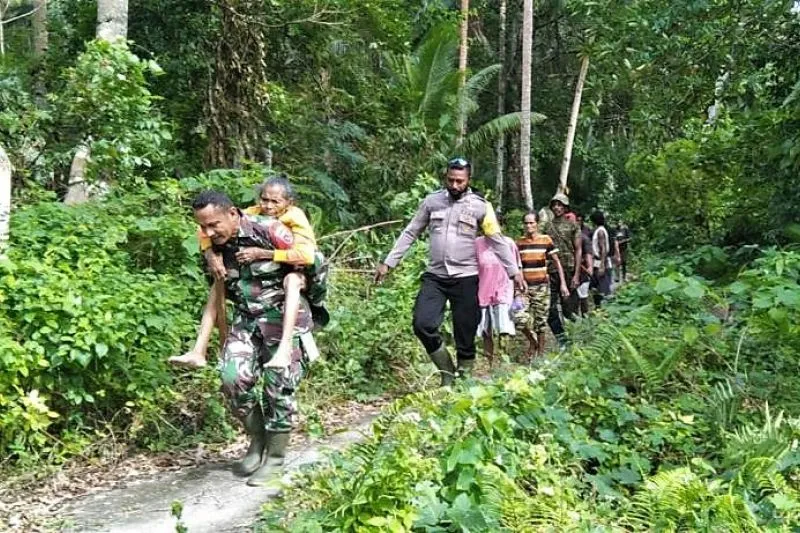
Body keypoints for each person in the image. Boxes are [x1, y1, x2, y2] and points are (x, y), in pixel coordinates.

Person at [190, 190, 314, 486]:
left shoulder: (269, 230)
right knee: (232, 377)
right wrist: (209, 255)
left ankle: (275, 458)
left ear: (233, 214)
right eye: (203, 226)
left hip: (284, 319)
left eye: (214, 224)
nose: (209, 232)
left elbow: (310, 263)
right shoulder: (214, 244)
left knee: (278, 387)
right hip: (247, 320)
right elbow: (219, 285)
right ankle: (257, 442)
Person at [374, 157, 525, 386]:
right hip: (436, 276)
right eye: (451, 180)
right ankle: (447, 373)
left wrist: (514, 272)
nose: (454, 185)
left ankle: (463, 383)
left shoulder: (481, 206)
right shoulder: (432, 202)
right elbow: (411, 232)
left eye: (459, 181)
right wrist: (388, 262)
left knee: (465, 333)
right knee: (422, 324)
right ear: (446, 177)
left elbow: (496, 240)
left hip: (466, 278)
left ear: (468, 180)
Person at [170, 176, 328, 369]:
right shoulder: (250, 214)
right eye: (264, 199)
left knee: (292, 281)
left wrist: (263, 253)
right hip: (258, 291)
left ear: (289, 202)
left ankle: (285, 347)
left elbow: (307, 256)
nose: (268, 206)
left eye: (275, 201)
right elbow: (209, 226)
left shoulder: (293, 217)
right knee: (218, 280)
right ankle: (198, 350)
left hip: (302, 267)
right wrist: (210, 254)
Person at [515, 212, 569, 360]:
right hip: (524, 288)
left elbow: (557, 262)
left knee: (541, 322)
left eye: (531, 223)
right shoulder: (519, 243)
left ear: (537, 224)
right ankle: (533, 343)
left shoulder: (545, 240)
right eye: (526, 223)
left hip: (541, 287)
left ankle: (540, 355)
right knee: (519, 317)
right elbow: (516, 266)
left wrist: (563, 284)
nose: (529, 226)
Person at [543, 193, 582, 346]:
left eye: (560, 205)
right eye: (554, 205)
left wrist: (576, 275)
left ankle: (578, 338)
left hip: (569, 270)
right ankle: (563, 341)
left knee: (569, 309)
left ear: (565, 207)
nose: (557, 208)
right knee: (550, 309)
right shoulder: (547, 227)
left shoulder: (573, 226)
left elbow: (578, 250)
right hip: (552, 271)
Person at [475, 234, 518, 367]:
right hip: (483, 291)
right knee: (486, 330)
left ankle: (504, 362)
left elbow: (516, 267)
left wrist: (519, 287)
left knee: (503, 329)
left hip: (503, 290)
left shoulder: (508, 243)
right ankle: (490, 363)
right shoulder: (477, 243)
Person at [590, 210, 613, 308]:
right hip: (598, 262)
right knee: (597, 289)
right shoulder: (601, 230)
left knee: (603, 290)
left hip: (601, 262)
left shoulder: (600, 232)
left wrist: (602, 265)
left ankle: (605, 309)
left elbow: (603, 249)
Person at [575, 214, 593, 316]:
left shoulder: (584, 237)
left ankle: (585, 318)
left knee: (583, 296)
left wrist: (589, 267)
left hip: (583, 271)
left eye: (579, 221)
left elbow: (588, 254)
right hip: (571, 271)